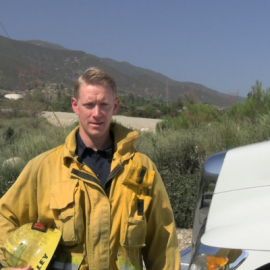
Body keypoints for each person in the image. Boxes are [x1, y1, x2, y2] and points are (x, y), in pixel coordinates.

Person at [0, 68, 181, 270]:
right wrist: (10, 264)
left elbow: (163, 244)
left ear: (116, 106)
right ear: (75, 106)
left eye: (104, 104)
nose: (97, 113)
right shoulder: (44, 167)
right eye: (89, 105)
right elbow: (4, 216)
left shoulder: (142, 169)